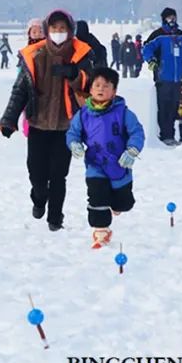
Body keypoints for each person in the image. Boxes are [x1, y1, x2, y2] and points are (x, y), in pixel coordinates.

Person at [0, 10, 96, 231]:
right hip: (38, 124)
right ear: (47, 30)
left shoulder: (81, 55)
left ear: (70, 31)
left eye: (63, 29)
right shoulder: (35, 55)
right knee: (36, 171)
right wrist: (8, 120)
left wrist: (75, 75)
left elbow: (91, 87)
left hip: (66, 127)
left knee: (59, 174)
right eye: (54, 29)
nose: (58, 33)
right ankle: (39, 198)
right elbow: (20, 91)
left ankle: (55, 218)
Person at [66, 67, 144, 248]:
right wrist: (74, 144)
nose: (101, 89)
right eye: (97, 85)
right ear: (91, 90)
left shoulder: (123, 112)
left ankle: (117, 205)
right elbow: (73, 133)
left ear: (114, 91)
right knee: (96, 195)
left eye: (106, 86)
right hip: (95, 163)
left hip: (119, 164)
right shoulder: (83, 114)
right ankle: (101, 231)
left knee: (123, 203)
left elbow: (137, 132)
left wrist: (132, 150)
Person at [142, 8, 182, 145]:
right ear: (164, 19)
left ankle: (171, 135)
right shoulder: (158, 35)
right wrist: (151, 60)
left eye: (174, 17)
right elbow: (146, 48)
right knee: (163, 107)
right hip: (163, 77)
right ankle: (165, 135)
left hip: (178, 79)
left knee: (174, 107)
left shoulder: (181, 36)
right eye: (169, 17)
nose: (172, 20)